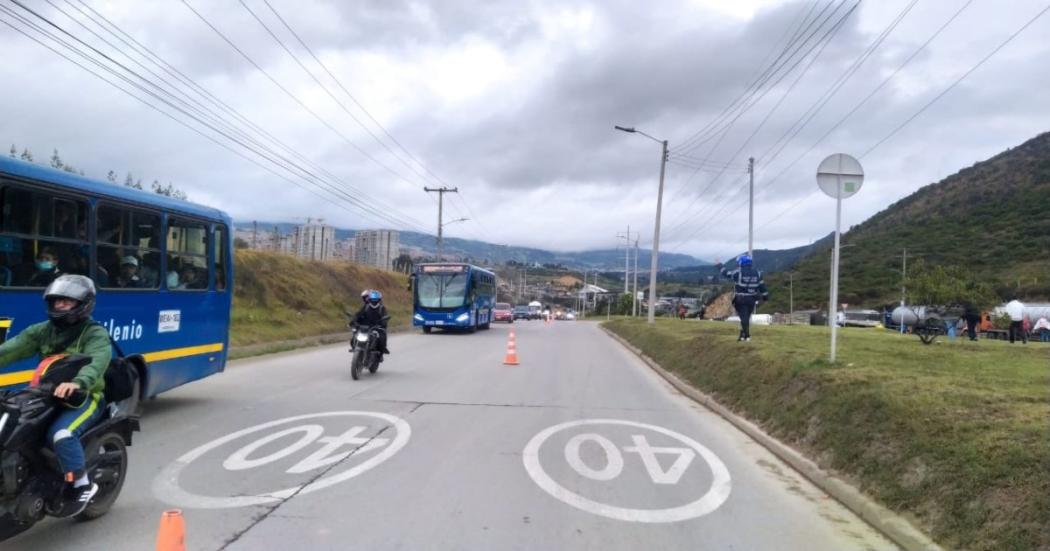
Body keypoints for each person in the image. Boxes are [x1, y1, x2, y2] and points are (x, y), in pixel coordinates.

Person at [0, 275, 110, 516]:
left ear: (84, 304)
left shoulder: (94, 333)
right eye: (57, 301)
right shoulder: (41, 331)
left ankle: (82, 484)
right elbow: (9, 350)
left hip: (84, 398)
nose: (60, 305)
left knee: (61, 435)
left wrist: (78, 383)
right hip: (45, 394)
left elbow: (98, 361)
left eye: (67, 302)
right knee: (14, 430)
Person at [718, 254, 769, 342]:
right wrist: (765, 296)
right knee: (746, 317)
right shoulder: (758, 273)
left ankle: (747, 336)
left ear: (741, 262)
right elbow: (762, 286)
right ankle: (742, 336)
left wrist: (719, 265)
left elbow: (726, 274)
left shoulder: (738, 272)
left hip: (740, 299)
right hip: (752, 299)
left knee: (744, 318)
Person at [352, 290, 390, 355]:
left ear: (379, 300)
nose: (374, 301)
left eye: (376, 300)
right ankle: (355, 346)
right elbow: (358, 314)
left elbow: (385, 317)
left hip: (376, 328)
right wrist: (354, 320)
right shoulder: (366, 307)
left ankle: (382, 350)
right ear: (369, 299)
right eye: (372, 299)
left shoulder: (382, 308)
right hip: (365, 328)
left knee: (382, 336)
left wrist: (383, 323)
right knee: (355, 334)